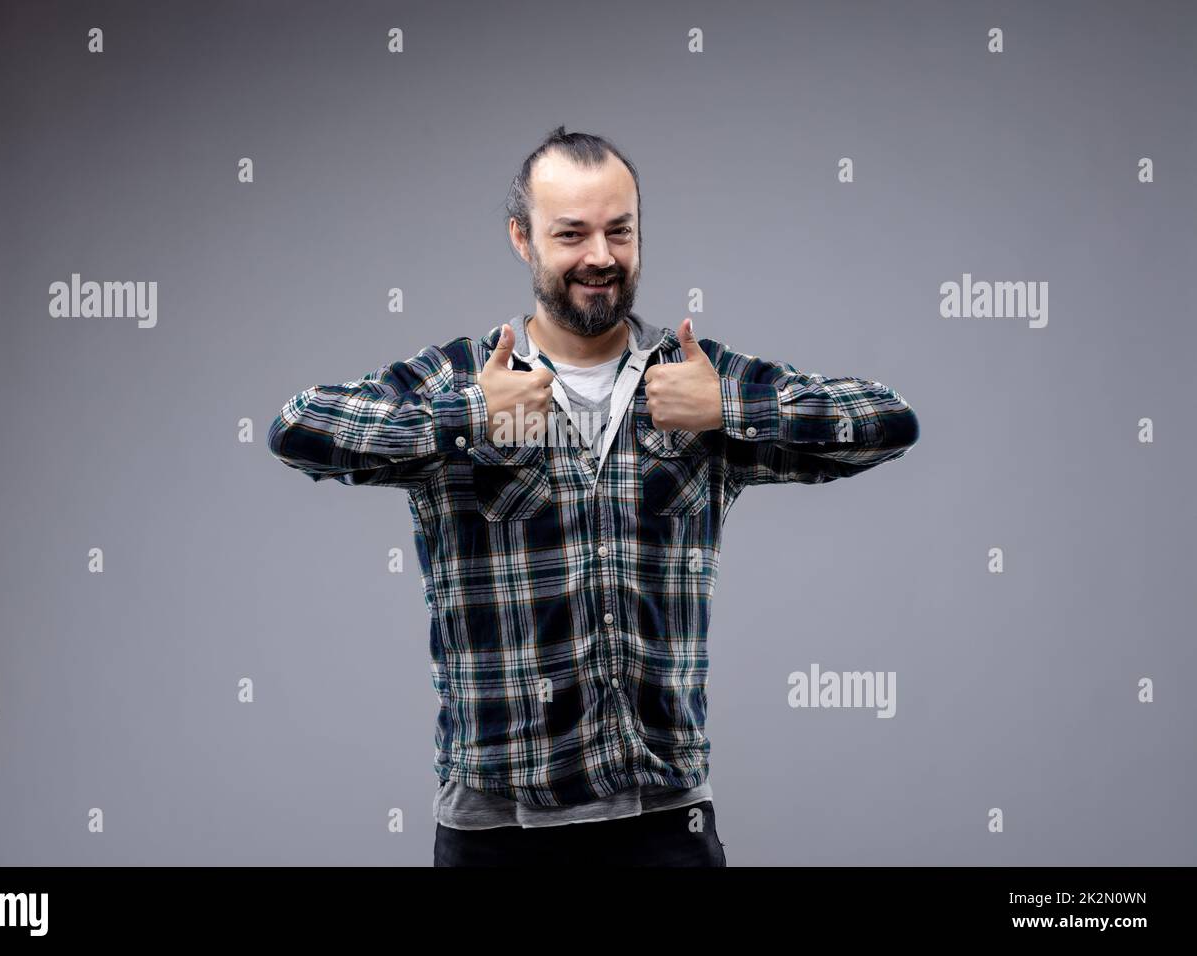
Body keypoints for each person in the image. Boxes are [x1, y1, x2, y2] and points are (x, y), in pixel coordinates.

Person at [267, 126, 920, 866]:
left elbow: (888, 421)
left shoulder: (694, 378)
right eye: (571, 234)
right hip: (497, 831)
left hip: (667, 823)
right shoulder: (466, 377)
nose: (600, 257)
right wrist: (468, 416)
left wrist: (732, 409)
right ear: (523, 237)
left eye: (620, 231)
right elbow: (298, 428)